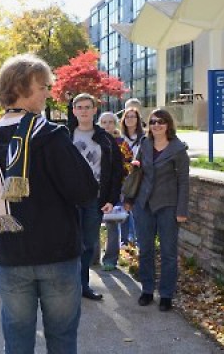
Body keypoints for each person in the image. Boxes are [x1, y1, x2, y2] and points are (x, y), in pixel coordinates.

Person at [0, 54, 98, 353]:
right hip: (57, 256)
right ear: (21, 87)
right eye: (43, 86)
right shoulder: (51, 135)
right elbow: (84, 191)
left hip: (11, 253)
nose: (48, 92)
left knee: (17, 341)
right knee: (62, 339)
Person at [125, 108, 189, 312]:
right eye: (153, 122)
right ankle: (147, 289)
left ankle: (167, 294)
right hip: (144, 205)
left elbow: (184, 182)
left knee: (169, 252)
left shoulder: (178, 149)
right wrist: (130, 198)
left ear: (168, 124)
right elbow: (137, 172)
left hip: (168, 206)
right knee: (146, 250)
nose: (156, 125)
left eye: (161, 121)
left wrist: (181, 210)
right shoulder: (145, 144)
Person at [71, 93, 123, 301]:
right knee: (68, 243)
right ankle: (68, 285)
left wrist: (111, 199)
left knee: (88, 244)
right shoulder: (65, 136)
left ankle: (83, 285)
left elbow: (117, 170)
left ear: (94, 111)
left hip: (95, 199)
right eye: (79, 107)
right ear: (74, 111)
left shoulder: (106, 139)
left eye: (87, 107)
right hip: (69, 199)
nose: (83, 111)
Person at [98, 112, 133, 271]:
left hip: (115, 188)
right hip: (96, 188)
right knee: (92, 224)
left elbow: (129, 164)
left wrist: (117, 170)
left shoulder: (121, 143)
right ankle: (92, 257)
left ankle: (110, 258)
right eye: (104, 122)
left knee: (112, 224)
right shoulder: (94, 141)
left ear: (115, 124)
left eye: (110, 122)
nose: (107, 125)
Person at [119, 107, 145, 247]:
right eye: (127, 116)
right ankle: (125, 240)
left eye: (133, 116)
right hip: (122, 178)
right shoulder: (119, 137)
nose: (130, 119)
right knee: (124, 210)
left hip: (138, 179)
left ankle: (138, 240)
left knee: (138, 212)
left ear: (138, 119)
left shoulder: (144, 138)